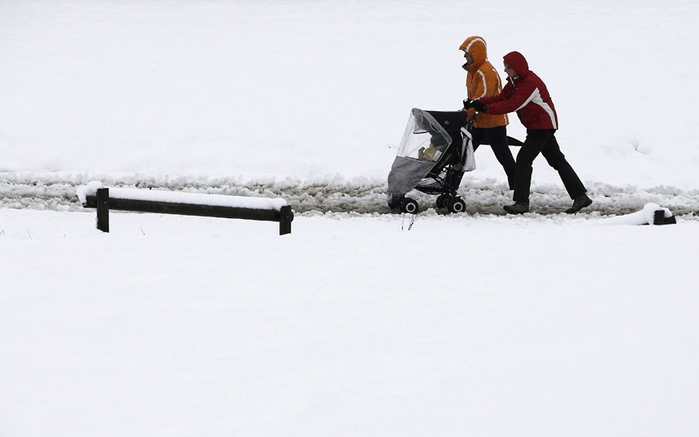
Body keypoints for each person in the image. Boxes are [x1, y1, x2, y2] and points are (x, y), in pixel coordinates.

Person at [464, 51, 592, 214]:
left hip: (543, 125)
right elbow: (501, 97)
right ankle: (581, 197)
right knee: (557, 160)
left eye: (507, 67)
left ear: (516, 68)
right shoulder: (515, 81)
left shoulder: (530, 83)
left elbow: (512, 105)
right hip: (535, 125)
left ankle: (521, 202)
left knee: (524, 160)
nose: (505, 70)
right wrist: (478, 102)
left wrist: (485, 109)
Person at [459, 36, 517, 190]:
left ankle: (518, 190)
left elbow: (481, 99)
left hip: (493, 123)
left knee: (504, 157)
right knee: (463, 155)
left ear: (475, 54)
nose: (465, 56)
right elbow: (473, 99)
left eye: (467, 53)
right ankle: (451, 186)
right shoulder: (473, 71)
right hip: (478, 122)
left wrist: (465, 114)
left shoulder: (486, 72)